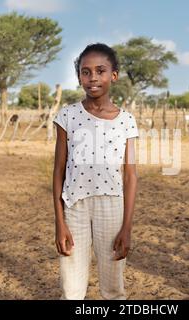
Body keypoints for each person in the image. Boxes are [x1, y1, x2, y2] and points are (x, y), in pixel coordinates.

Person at [52, 43, 139, 300]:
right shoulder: (67, 116)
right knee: (71, 289)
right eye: (85, 72)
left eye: (100, 71)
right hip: (74, 207)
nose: (93, 78)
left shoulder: (126, 120)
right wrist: (60, 222)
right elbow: (58, 172)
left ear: (113, 75)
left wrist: (127, 227)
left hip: (112, 206)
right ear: (79, 76)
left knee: (113, 289)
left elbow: (131, 175)